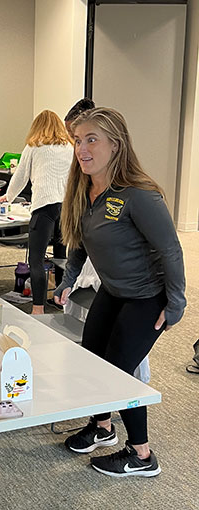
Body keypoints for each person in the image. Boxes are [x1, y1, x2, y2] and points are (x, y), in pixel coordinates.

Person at [54, 107, 186, 477]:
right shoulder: (85, 188)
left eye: (91, 139)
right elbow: (79, 243)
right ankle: (103, 427)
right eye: (78, 140)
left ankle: (142, 455)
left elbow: (170, 250)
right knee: (92, 358)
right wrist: (68, 279)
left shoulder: (138, 195)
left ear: (115, 144)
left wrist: (176, 303)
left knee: (119, 371)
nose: (82, 148)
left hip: (148, 297)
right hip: (113, 290)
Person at [0, 110, 73, 314]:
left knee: (37, 259)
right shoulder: (70, 147)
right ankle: (60, 300)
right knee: (61, 256)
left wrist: (8, 197)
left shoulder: (34, 146)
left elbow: (20, 176)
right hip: (66, 207)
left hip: (44, 207)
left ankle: (38, 308)